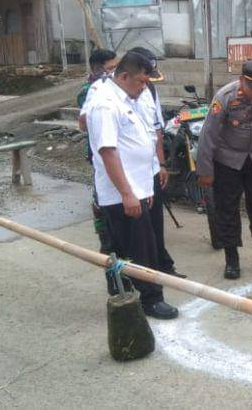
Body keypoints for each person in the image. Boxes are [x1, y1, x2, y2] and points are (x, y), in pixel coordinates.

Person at [86, 52, 178, 319]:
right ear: (124, 76)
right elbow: (108, 152)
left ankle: (129, 291)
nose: (143, 86)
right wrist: (128, 194)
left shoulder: (127, 97)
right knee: (139, 249)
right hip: (121, 195)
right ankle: (150, 299)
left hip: (138, 189)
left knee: (140, 246)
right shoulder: (105, 104)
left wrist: (145, 189)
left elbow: (140, 143)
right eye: (140, 81)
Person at [196, 60, 252, 280]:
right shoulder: (224, 98)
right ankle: (232, 259)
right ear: (241, 81)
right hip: (227, 159)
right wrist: (205, 170)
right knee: (227, 208)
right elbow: (208, 136)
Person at [126, 46, 185, 279]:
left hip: (150, 168)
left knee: (155, 220)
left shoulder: (148, 89)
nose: (145, 84)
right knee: (136, 231)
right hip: (128, 175)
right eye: (142, 79)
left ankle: (162, 265)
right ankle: (143, 278)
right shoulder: (110, 97)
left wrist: (161, 164)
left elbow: (157, 130)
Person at [77, 49, 119, 255]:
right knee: (102, 200)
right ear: (97, 68)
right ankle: (106, 245)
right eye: (110, 68)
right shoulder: (89, 91)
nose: (114, 72)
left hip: (119, 153)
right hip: (100, 155)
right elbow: (83, 123)